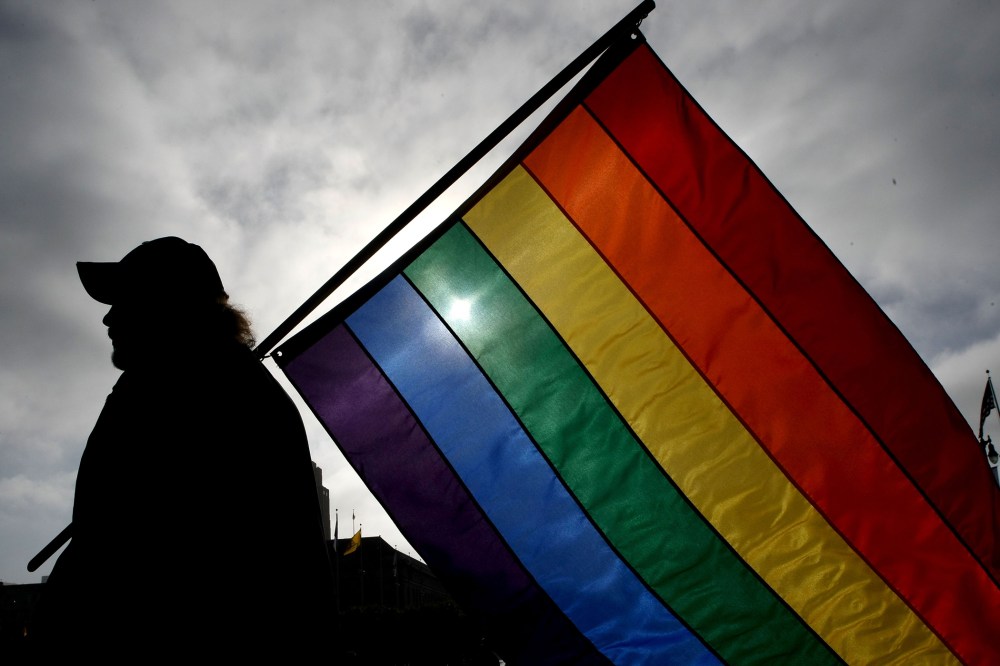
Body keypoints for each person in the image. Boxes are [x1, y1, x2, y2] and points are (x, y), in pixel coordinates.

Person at [37, 237, 335, 658]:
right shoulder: (201, 382)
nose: (108, 317)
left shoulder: (180, 390)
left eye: (124, 300)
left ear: (165, 305)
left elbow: (129, 553)